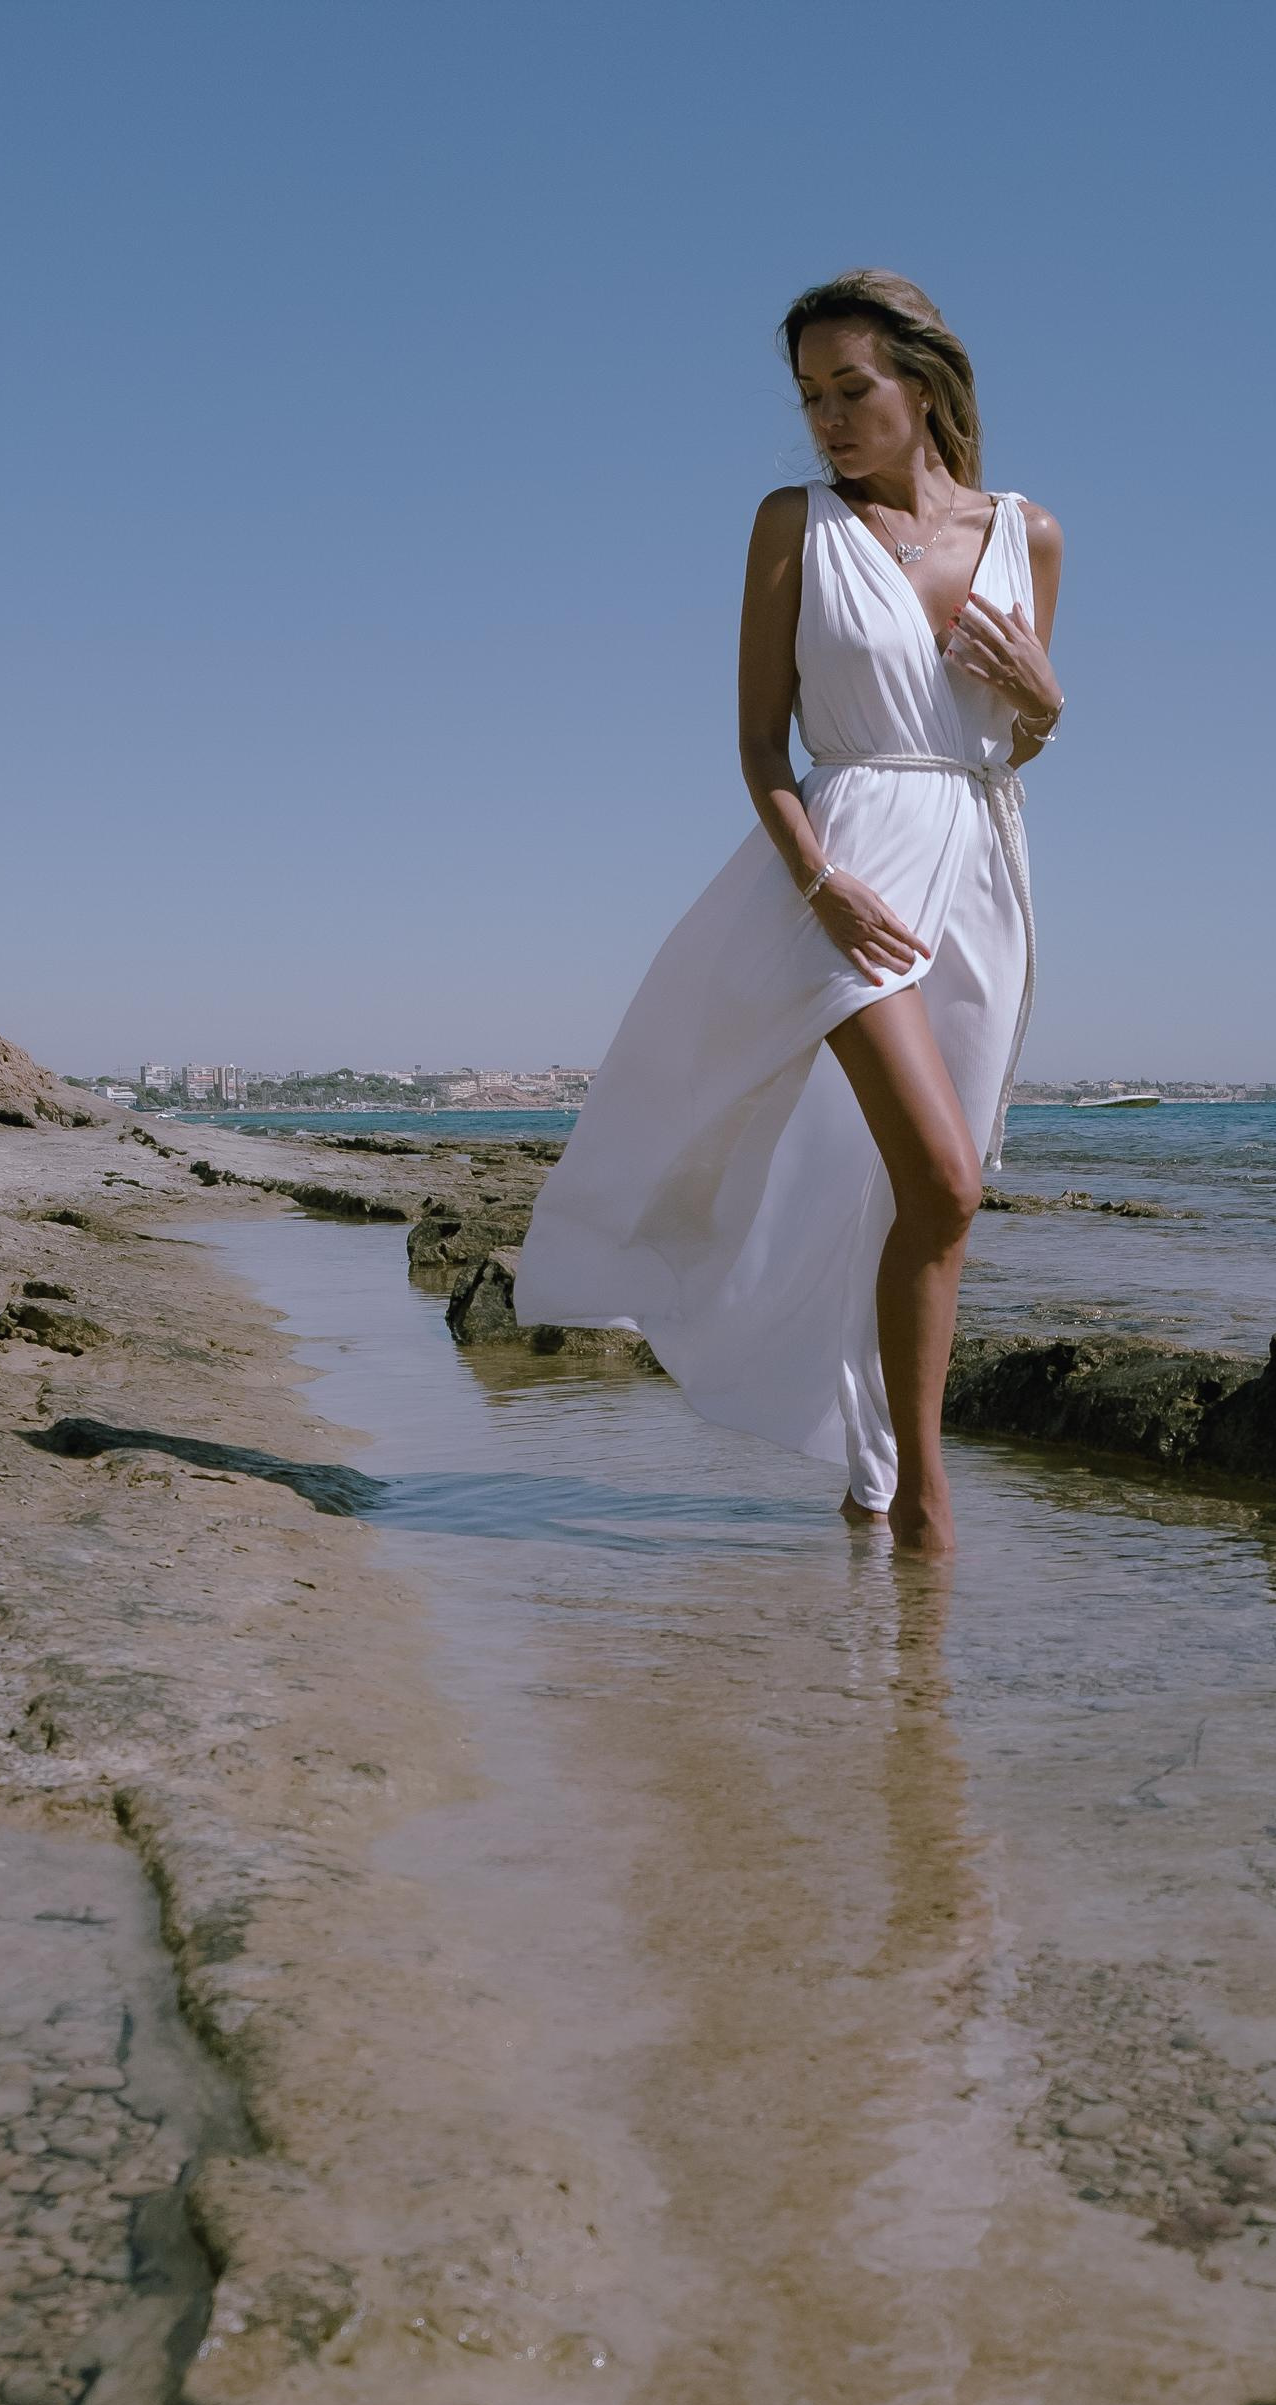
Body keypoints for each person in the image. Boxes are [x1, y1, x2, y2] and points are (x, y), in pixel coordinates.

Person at [514, 268, 1063, 1551]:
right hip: (845, 867)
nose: (824, 417)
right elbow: (761, 746)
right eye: (808, 395)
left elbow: (1012, 741)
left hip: (979, 865)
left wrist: (1045, 701)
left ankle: (872, 1474)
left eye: (849, 388)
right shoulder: (793, 524)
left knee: (920, 1192)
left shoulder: (1026, 534)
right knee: (943, 1176)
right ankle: (925, 1495)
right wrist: (819, 882)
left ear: (919, 385)